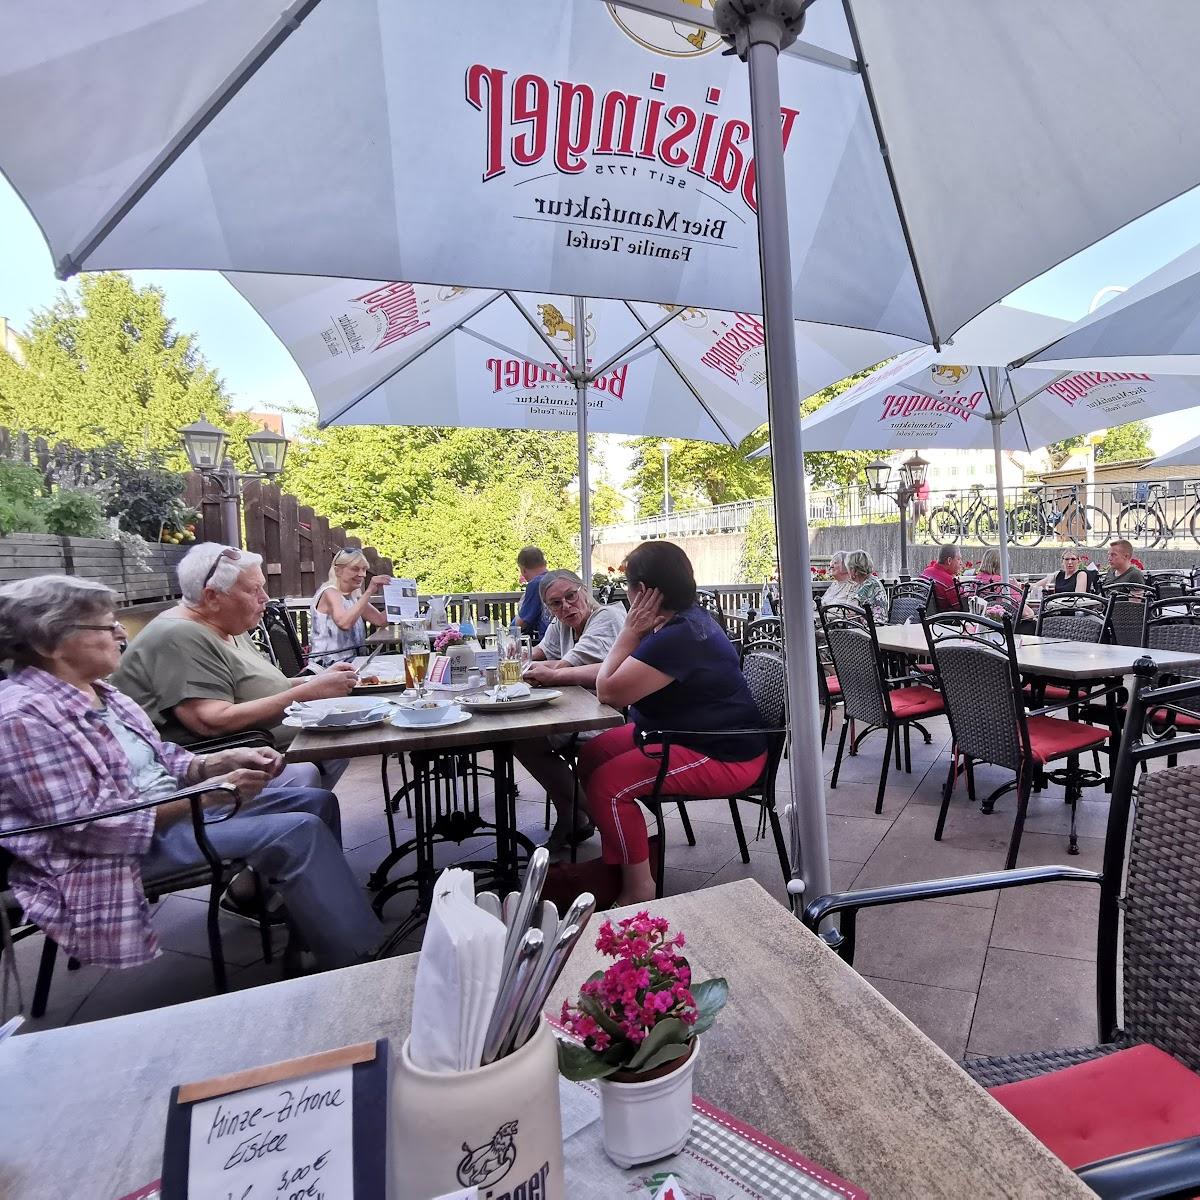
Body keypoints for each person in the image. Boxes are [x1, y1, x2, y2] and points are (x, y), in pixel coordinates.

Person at [0, 575, 382, 971]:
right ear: (49, 643)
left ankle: (318, 930)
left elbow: (159, 756)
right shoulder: (23, 717)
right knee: (296, 831)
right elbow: (88, 828)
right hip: (115, 852)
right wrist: (211, 793)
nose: (119, 631)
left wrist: (216, 763)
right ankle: (359, 962)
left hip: (169, 812)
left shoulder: (101, 692)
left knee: (315, 800)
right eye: (106, 625)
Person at [584, 542, 767, 906]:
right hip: (681, 733)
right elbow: (623, 672)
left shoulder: (680, 637)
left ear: (642, 592)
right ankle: (623, 853)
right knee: (592, 754)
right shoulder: (680, 623)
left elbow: (609, 690)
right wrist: (558, 674)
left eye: (627, 586)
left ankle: (639, 888)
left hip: (724, 753)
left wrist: (628, 632)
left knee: (609, 786)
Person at [110, 544, 357, 781]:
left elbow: (257, 686)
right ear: (212, 597)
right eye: (253, 590)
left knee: (336, 745)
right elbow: (210, 722)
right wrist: (308, 693)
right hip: (218, 766)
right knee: (324, 754)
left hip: (267, 743)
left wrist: (315, 681)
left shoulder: (229, 625)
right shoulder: (178, 635)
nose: (265, 597)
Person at [515, 570, 626, 850]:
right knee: (521, 737)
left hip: (606, 715)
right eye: (555, 603)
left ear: (584, 591)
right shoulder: (562, 622)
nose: (565, 606)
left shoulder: (607, 618)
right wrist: (515, 657)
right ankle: (572, 815)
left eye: (570, 596)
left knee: (525, 739)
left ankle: (603, 820)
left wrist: (533, 668)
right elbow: (536, 654)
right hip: (572, 709)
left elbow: (567, 665)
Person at [309, 547, 392, 666]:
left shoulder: (353, 597)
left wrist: (400, 601)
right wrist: (369, 591)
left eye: (364, 569)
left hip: (354, 663)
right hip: (327, 667)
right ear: (338, 571)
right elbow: (344, 623)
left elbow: (380, 620)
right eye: (355, 569)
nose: (362, 574)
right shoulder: (330, 592)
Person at [516, 546, 551, 642]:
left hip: (548, 642)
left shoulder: (536, 584)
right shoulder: (554, 578)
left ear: (523, 569)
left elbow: (521, 623)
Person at [846, 549, 888, 624]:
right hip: (869, 628)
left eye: (849, 568)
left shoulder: (870, 584)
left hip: (873, 628)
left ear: (854, 570)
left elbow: (850, 611)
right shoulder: (869, 582)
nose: (848, 572)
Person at [921, 545, 964, 611]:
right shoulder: (948, 581)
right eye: (958, 559)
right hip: (944, 619)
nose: (961, 563)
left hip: (924, 616)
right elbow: (959, 608)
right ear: (949, 560)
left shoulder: (926, 572)